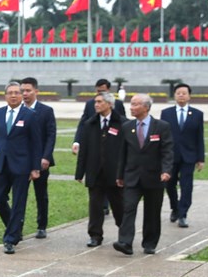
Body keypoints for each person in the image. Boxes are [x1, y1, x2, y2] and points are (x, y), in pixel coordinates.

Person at [0, 81, 42, 254]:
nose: (14, 95)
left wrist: (35, 167)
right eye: (11, 93)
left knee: (18, 203)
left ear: (21, 95)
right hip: (1, 163)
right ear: (5, 95)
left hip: (22, 166)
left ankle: (10, 238)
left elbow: (36, 143)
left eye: (17, 92)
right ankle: (14, 226)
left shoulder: (30, 115)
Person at [114, 93, 174, 255]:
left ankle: (150, 243)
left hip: (154, 177)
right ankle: (125, 242)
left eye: (135, 104)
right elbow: (123, 153)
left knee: (152, 211)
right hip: (132, 176)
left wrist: (166, 171)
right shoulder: (127, 127)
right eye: (131, 104)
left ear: (146, 107)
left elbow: (167, 151)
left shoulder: (161, 126)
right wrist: (119, 175)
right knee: (128, 207)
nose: (131, 107)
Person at [74, 91, 125, 246]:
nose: (96, 104)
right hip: (95, 172)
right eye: (95, 102)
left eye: (99, 102)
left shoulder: (122, 123)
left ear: (109, 104)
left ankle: (124, 234)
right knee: (95, 206)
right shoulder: (90, 124)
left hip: (115, 174)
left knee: (119, 206)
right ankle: (95, 235)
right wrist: (79, 172)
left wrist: (124, 173)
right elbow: (84, 150)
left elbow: (126, 151)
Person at [160, 83, 205, 227]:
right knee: (169, 184)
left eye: (184, 93)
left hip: (189, 156)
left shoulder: (197, 114)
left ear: (189, 96)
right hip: (170, 156)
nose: (181, 95)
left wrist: (200, 158)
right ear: (174, 95)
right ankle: (175, 207)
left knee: (187, 186)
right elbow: (162, 135)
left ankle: (183, 213)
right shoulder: (166, 113)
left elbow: (199, 137)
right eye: (178, 93)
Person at [20, 77, 56, 239]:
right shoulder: (17, 110)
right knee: (20, 195)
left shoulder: (46, 111)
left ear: (36, 91)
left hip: (41, 160)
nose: (25, 94)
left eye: (28, 90)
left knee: (41, 194)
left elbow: (51, 136)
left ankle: (42, 226)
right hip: (20, 161)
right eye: (23, 91)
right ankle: (17, 226)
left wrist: (46, 157)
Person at [71, 79, 126, 155]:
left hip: (114, 146)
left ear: (108, 90)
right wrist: (77, 142)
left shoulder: (118, 104)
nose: (100, 94)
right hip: (94, 145)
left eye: (103, 91)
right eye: (98, 91)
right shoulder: (90, 104)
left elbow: (124, 125)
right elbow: (83, 124)